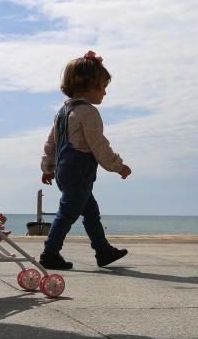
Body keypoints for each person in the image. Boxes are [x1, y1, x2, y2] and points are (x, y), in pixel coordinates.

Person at [39, 51, 131, 270]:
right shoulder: (88, 113)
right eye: (101, 87)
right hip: (79, 172)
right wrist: (118, 166)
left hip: (65, 170)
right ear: (86, 86)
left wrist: (47, 167)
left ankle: (103, 250)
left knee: (90, 211)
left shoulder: (62, 112)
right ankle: (49, 253)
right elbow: (99, 146)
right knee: (67, 213)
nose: (105, 93)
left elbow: (51, 143)